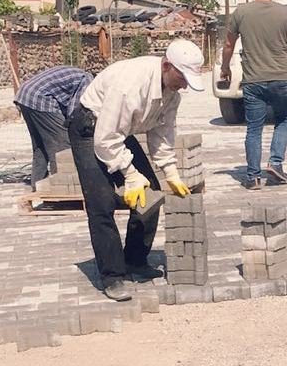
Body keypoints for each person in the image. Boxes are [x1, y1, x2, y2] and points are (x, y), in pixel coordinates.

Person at [69, 39, 203, 301]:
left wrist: (170, 171)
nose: (184, 85)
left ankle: (135, 261)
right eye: (182, 77)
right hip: (90, 128)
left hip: (117, 131)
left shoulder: (171, 92)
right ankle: (112, 276)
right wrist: (130, 174)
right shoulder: (129, 86)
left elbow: (162, 133)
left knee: (150, 193)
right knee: (102, 203)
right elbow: (105, 139)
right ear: (167, 66)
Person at [220, 0, 287, 190]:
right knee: (283, 120)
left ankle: (253, 177)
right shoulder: (286, 13)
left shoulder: (240, 13)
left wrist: (225, 68)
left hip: (253, 81)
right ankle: (275, 162)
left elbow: (228, 44)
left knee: (254, 128)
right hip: (280, 78)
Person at [14, 66, 92, 189]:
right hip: (40, 99)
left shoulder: (78, 74)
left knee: (40, 146)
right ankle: (61, 187)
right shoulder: (88, 81)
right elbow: (74, 111)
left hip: (25, 95)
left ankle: (38, 185)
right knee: (62, 146)